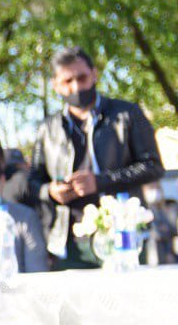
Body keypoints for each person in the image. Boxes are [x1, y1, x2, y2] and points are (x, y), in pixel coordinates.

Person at [29, 46, 164, 268]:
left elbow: (153, 166)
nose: (76, 86)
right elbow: (33, 180)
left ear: (94, 74)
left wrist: (100, 181)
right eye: (67, 81)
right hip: (69, 241)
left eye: (81, 78)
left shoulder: (127, 114)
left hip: (123, 234)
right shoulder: (47, 128)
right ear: (55, 85)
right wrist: (51, 191)